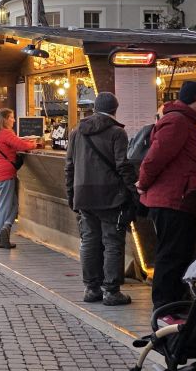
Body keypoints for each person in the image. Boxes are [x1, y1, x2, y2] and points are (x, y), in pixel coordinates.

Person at [137, 80, 196, 312]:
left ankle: (173, 301)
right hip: (173, 198)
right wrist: (142, 183)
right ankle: (164, 304)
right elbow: (155, 157)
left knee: (178, 252)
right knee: (171, 253)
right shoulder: (178, 121)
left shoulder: (182, 121)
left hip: (179, 197)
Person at [64, 92, 136, 306]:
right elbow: (123, 165)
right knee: (112, 242)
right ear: (115, 109)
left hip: (84, 195)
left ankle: (91, 288)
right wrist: (133, 190)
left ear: (94, 108)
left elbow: (69, 167)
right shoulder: (117, 133)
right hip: (110, 195)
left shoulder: (76, 132)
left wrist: (71, 194)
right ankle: (111, 291)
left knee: (89, 241)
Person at [0, 108, 38, 250]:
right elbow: (21, 145)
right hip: (5, 174)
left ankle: (6, 227)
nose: (14, 120)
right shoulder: (5, 133)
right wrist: (34, 144)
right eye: (11, 117)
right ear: (5, 119)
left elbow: (15, 142)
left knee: (14, 204)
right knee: (5, 205)